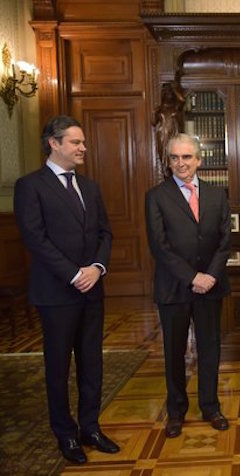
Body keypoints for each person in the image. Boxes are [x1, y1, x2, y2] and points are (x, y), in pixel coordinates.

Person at [13, 115, 118, 464]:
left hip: (92, 290)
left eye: (83, 142)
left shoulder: (90, 187)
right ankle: (65, 433)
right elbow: (36, 240)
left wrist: (97, 268)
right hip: (57, 292)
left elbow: (105, 232)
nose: (83, 148)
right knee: (58, 367)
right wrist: (75, 274)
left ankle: (91, 427)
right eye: (75, 142)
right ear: (53, 143)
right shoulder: (30, 186)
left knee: (92, 364)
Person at [145, 133, 231, 438]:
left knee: (210, 348)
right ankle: (176, 411)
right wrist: (192, 277)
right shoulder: (156, 196)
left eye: (187, 157)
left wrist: (210, 276)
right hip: (174, 288)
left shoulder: (217, 194)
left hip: (211, 285)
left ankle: (210, 406)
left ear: (199, 160)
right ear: (168, 162)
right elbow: (160, 245)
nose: (181, 163)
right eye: (174, 158)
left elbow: (225, 241)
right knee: (174, 351)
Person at [152, 81, 185, 178]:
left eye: (170, 93)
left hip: (174, 134)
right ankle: (167, 172)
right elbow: (153, 121)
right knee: (165, 157)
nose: (169, 95)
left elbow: (182, 100)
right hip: (163, 135)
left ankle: (173, 172)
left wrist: (174, 88)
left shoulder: (176, 107)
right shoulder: (160, 109)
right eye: (166, 93)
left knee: (175, 154)